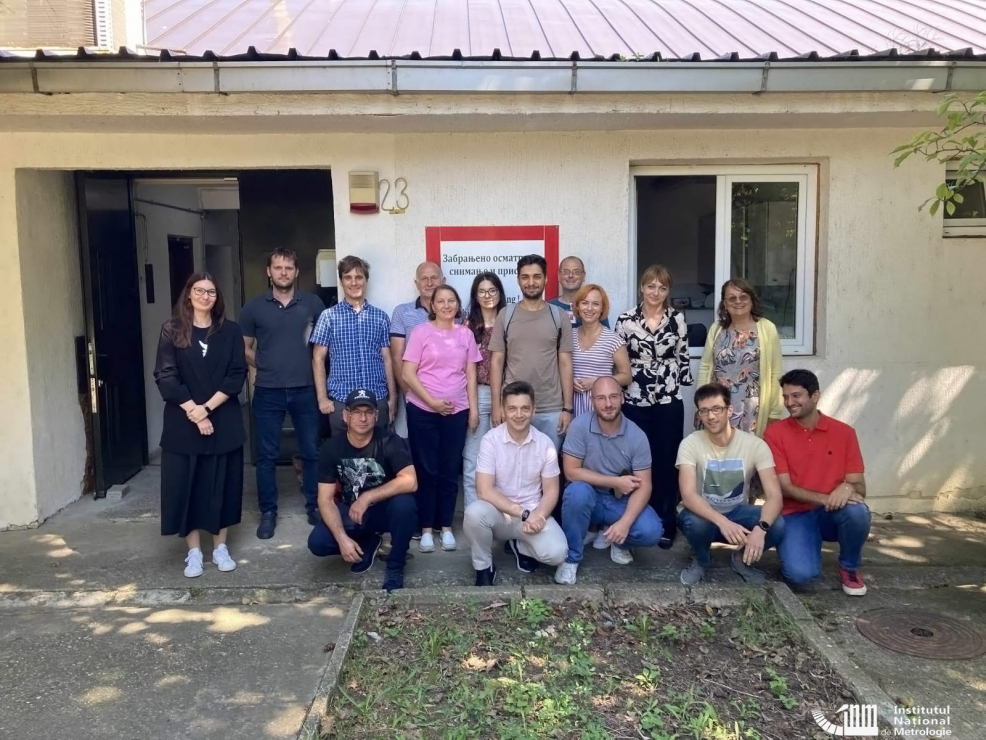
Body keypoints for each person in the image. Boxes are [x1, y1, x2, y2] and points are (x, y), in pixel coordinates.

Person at [154, 273, 247, 578]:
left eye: (211, 291)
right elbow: (165, 376)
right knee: (187, 487)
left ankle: (220, 547)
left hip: (222, 420)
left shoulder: (231, 331)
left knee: (221, 486)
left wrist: (206, 408)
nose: (205, 296)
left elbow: (236, 375)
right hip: (184, 423)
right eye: (199, 290)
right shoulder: (172, 331)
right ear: (189, 294)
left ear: (217, 298)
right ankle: (194, 552)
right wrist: (194, 410)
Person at [239, 248, 326, 539]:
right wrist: (260, 362)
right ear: (269, 271)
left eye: (289, 268)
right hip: (267, 391)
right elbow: (244, 347)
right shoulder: (253, 308)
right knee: (265, 455)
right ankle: (268, 512)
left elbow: (324, 346)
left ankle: (315, 506)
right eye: (278, 267)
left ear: (297, 272)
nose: (283, 273)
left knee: (312, 452)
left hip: (306, 389)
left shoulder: (313, 304)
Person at [764, 369, 870, 596]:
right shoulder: (775, 433)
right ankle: (803, 545)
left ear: (815, 396)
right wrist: (826, 497)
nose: (789, 402)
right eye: (786, 397)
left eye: (796, 396)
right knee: (800, 575)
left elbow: (860, 488)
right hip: (794, 514)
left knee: (858, 512)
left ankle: (849, 567)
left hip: (831, 514)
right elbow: (784, 487)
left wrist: (847, 487)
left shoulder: (844, 433)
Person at [307, 388, 418, 593]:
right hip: (351, 513)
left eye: (368, 412)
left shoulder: (389, 441)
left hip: (382, 511)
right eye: (357, 412)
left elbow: (410, 481)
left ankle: (395, 566)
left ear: (376, 416)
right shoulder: (331, 448)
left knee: (406, 506)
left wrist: (368, 497)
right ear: (345, 415)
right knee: (318, 543)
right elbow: (325, 500)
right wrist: (342, 539)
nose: (363, 418)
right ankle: (367, 542)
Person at [555, 377, 663, 584]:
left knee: (652, 531)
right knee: (576, 492)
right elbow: (571, 472)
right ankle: (572, 558)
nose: (608, 404)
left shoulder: (636, 435)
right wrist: (615, 481)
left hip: (619, 501)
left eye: (613, 396)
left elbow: (645, 484)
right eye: (601, 398)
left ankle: (618, 541)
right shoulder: (579, 426)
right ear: (592, 401)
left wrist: (625, 523)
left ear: (622, 398)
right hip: (589, 496)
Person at [615, 264, 693, 548]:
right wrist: (619, 391)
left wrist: (680, 386)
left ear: (668, 291)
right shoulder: (625, 319)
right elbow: (618, 359)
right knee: (636, 461)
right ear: (642, 287)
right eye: (651, 286)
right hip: (635, 397)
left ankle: (666, 521)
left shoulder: (677, 319)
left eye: (662, 287)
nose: (655, 292)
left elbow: (683, 356)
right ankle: (636, 518)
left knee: (666, 460)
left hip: (668, 400)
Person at [677, 383, 786, 586]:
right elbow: (688, 496)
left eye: (716, 409)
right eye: (704, 411)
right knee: (693, 522)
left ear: (729, 410)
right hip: (704, 517)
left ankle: (742, 560)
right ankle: (701, 560)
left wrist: (761, 530)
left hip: (738, 514)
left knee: (777, 524)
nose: (711, 416)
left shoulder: (755, 445)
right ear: (699, 414)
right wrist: (722, 521)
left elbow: (775, 496)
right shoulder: (690, 443)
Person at [463, 381, 568, 586]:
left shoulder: (545, 443)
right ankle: (484, 567)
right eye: (512, 408)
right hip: (498, 514)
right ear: (503, 410)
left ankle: (519, 546)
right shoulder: (490, 440)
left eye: (524, 408)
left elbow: (551, 490)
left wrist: (538, 516)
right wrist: (523, 513)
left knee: (557, 554)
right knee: (474, 513)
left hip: (531, 513)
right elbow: (484, 490)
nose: (518, 414)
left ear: (534, 410)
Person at [402, 284, 481, 553]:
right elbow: (408, 374)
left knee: (449, 470)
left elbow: (470, 375)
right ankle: (426, 528)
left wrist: (473, 410)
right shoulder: (421, 333)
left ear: (458, 305)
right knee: (427, 469)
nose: (446, 305)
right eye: (441, 301)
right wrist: (432, 402)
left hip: (456, 412)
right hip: (423, 411)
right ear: (432, 305)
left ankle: (445, 526)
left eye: (451, 301)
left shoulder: (466, 334)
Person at [489, 254, 574, 452]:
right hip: (513, 407)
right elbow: (496, 362)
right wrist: (497, 406)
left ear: (546, 279)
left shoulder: (558, 316)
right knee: (511, 468)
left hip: (551, 408)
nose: (531, 282)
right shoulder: (506, 315)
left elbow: (565, 363)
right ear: (518, 280)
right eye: (525, 277)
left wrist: (567, 408)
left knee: (548, 469)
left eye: (536, 276)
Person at [311, 255, 396, 438]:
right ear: (341, 281)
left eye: (358, 277)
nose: (353, 282)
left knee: (378, 461)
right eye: (348, 277)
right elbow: (318, 359)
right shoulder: (329, 317)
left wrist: (393, 398)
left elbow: (387, 359)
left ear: (366, 280)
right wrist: (322, 398)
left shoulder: (380, 317)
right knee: (344, 461)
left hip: (376, 399)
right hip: (342, 401)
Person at [697, 278, 783, 437]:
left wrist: (775, 412)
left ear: (752, 300)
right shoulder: (717, 329)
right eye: (732, 298)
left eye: (743, 297)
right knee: (718, 453)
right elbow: (705, 367)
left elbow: (775, 373)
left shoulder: (767, 329)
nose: (738, 301)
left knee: (749, 455)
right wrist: (700, 406)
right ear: (724, 303)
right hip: (717, 407)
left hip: (752, 409)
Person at [462, 272, 507, 508]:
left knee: (502, 458)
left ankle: (498, 513)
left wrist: (501, 403)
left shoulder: (510, 321)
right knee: (473, 458)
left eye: (492, 290)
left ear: (500, 293)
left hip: (506, 396)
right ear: (475, 296)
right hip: (477, 394)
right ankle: (473, 512)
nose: (487, 295)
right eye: (482, 291)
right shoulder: (468, 326)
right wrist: (473, 409)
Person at [390, 261, 445, 437]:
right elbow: (397, 357)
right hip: (414, 394)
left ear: (443, 280)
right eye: (424, 279)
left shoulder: (456, 313)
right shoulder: (402, 312)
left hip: (447, 396)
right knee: (416, 448)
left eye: (434, 278)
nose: (429, 283)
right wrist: (409, 393)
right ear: (417, 284)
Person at [571, 284, 631, 417]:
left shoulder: (613, 340)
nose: (589, 308)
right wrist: (570, 381)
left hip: (603, 408)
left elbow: (626, 377)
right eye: (584, 303)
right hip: (573, 407)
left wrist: (597, 381)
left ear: (602, 308)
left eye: (596, 304)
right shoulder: (568, 336)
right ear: (577, 306)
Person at [549, 255, 610, 328]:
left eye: (576, 272)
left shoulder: (594, 308)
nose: (570, 275)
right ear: (559, 276)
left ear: (583, 276)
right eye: (566, 272)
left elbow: (606, 336)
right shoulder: (549, 307)